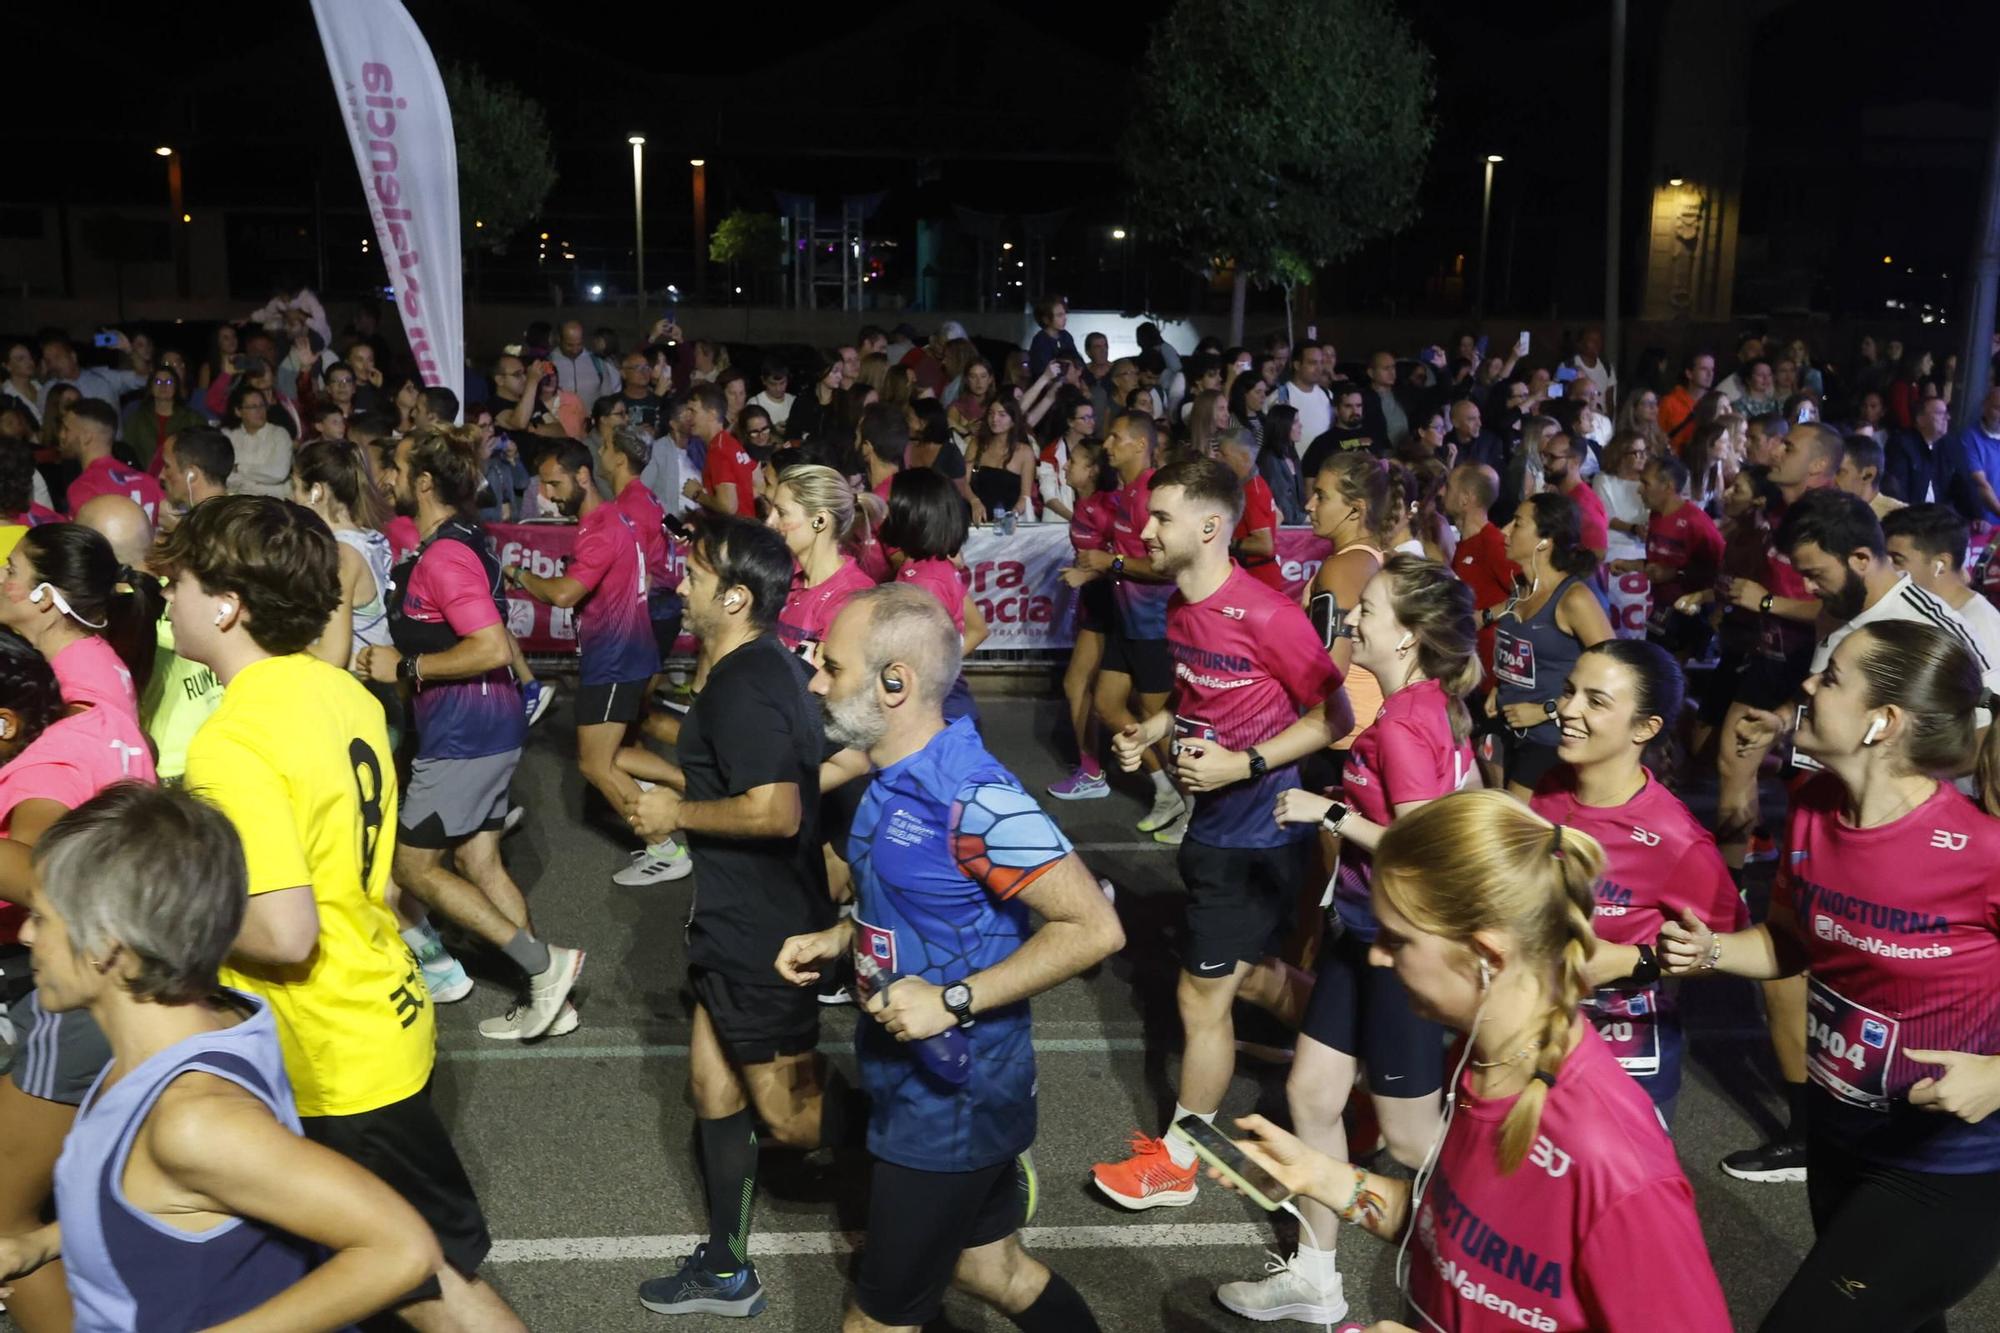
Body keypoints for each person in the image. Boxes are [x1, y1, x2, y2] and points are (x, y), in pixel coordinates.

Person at [156, 495, 529, 1330]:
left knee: (424, 1281)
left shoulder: (234, 736)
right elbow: (378, 882)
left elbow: (286, 932)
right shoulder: (344, 695)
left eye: (177, 581)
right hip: (382, 1007)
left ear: (226, 603)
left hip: (333, 1049)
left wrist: (171, 912)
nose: (166, 598)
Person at [1215, 790, 1732, 1332]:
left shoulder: (1612, 1159)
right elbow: (1454, 1234)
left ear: (1487, 955)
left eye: (1398, 939)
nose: (1377, 955)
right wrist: (1319, 1175)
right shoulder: (1482, 1063)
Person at [772, 585, 1118, 1332]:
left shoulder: (976, 796)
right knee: (991, 1269)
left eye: (832, 667)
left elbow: (1094, 927)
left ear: (894, 683)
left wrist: (951, 1000)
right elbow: (916, 910)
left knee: (873, 1321)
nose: (817, 682)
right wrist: (840, 940)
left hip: (953, 1104)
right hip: (908, 1083)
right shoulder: (886, 775)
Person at [1662, 620, 2000, 1332]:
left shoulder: (1979, 848)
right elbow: (1791, 942)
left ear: (1883, 721)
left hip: (1946, 1165)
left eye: (1833, 676)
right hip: (1841, 1132)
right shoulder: (1813, 810)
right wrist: (1714, 952)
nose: (1809, 684)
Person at [6, 785, 441, 1332]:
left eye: (43, 918)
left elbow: (399, 1249)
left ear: (108, 942)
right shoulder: (191, 1035)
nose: (25, 934)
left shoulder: (194, 1118)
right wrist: (37, 1244)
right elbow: (154, 1200)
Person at [1218, 554, 1476, 1323]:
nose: (1353, 618)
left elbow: (1421, 844)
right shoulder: (1427, 707)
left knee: (1409, 1136)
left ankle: (1490, 1276)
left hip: (1400, 946)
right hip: (1357, 929)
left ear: (1409, 638)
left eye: (1370, 608)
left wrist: (1327, 813)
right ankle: (1314, 1277)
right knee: (1311, 1092)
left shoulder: (1404, 720)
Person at [1088, 459, 1351, 1212]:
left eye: (1161, 518)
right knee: (1255, 975)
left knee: (1199, 998)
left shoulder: (1268, 613)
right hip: (1212, 830)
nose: (1144, 531)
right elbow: (1197, 695)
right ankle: (1354, 1051)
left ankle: (1180, 1159)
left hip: (1259, 836)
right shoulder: (1179, 607)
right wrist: (1154, 728)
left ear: (1208, 528)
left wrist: (1247, 762)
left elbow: (1336, 718)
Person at [619, 516, 851, 1318]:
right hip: (732, 918)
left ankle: (960, 1159)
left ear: (737, 596)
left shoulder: (750, 680)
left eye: (694, 573)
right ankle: (726, 1266)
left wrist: (676, 814)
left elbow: (776, 811)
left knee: (789, 1119)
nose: (681, 583)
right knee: (710, 1087)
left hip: (764, 931)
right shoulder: (743, 672)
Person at [359, 428, 585, 1040]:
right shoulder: (459, 543)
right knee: (479, 860)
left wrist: (404, 667)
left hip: (467, 731)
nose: (388, 479)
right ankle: (550, 999)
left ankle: (546, 964)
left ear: (424, 482)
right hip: (484, 723)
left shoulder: (447, 556)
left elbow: (488, 646)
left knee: (413, 868)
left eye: (398, 468)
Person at [0, 624, 158, 1331]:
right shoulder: (86, 722)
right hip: (123, 995)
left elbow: (40, 880)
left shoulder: (38, 773)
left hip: (72, 1009)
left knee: (5, 1219)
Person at [1529, 640, 1742, 1121]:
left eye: (1595, 701)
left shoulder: (1676, 838)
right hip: (1533, 1035)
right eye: (1569, 691)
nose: (1568, 709)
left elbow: (1731, 951)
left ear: (1646, 728)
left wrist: (1630, 960)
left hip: (1622, 1056)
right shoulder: (1548, 787)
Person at [1069, 414, 1184, 838]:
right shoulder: (1125, 494)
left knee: (1157, 720)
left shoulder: (1151, 494)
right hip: (1126, 622)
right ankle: (1166, 792)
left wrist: (1110, 562)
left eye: (1116, 437)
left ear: (1140, 445)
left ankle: (1196, 805)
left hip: (1153, 626)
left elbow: (1166, 567)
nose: (1107, 444)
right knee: (1107, 706)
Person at [1487, 492, 1614, 797]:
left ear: (1545, 540)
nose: (1504, 531)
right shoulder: (1522, 589)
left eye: (1517, 523)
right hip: (1505, 729)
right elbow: (1522, 651)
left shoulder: (1575, 599)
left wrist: (1547, 710)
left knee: (1517, 833)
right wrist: (1500, 685)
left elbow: (1614, 671)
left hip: (1548, 739)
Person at [880, 469, 988, 724]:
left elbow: (920, 657)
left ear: (913, 516)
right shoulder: (929, 567)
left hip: (938, 710)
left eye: (892, 507)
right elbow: (977, 630)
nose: (886, 514)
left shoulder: (926, 582)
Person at [1050, 440, 1117, 800]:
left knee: (1077, 685)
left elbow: (1120, 560)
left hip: (1110, 602)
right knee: (1090, 690)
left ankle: (1093, 773)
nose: (1066, 466)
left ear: (1091, 470)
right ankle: (1094, 768)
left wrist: (1086, 576)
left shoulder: (1107, 506)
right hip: (1095, 601)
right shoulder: (1084, 504)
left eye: (1073, 461)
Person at [1882, 504, 2000, 694]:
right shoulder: (1912, 609)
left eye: (1897, 559)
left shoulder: (1981, 627)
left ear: (1941, 563)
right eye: (1883, 558)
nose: (1885, 569)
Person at [766, 463, 876, 666]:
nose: (769, 522)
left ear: (819, 521)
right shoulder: (786, 577)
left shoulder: (853, 595)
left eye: (781, 513)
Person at [1638, 453, 1725, 658]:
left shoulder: (1696, 521)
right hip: (1663, 607)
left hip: (1690, 611)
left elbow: (1721, 567)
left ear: (1667, 486)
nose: (1639, 489)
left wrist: (1677, 574)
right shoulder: (1656, 516)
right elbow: (1662, 563)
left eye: (1646, 483)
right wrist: (1632, 565)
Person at [60, 400, 164, 523]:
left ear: (86, 437)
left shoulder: (84, 487)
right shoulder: (148, 482)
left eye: (66, 429)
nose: (61, 435)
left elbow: (89, 540)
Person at [1217, 426, 1284, 591]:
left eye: (1224, 455)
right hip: (1255, 578)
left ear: (1244, 457)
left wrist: (1226, 542)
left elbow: (1264, 545)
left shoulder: (1252, 491)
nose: (1218, 459)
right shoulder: (1254, 485)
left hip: (1258, 582)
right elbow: (1279, 516)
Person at [119, 363, 206, 474]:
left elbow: (202, 452)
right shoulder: (137, 419)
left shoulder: (192, 419)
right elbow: (126, 453)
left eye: (169, 382)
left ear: (176, 387)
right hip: (145, 481)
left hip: (181, 481)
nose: (163, 386)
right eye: (158, 382)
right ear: (151, 387)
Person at [686, 382, 757, 517]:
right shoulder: (729, 443)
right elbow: (758, 483)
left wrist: (697, 495)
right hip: (747, 529)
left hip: (734, 533)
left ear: (712, 414)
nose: (688, 417)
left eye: (693, 411)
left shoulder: (718, 451)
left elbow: (728, 506)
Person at [220, 382, 295, 500]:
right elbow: (224, 475)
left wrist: (238, 468)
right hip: (237, 502)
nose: (260, 411)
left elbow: (278, 473)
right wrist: (261, 479)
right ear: (238, 411)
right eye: (253, 407)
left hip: (274, 502)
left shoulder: (279, 434)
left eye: (262, 405)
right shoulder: (228, 435)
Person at [156, 425, 232, 529]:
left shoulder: (236, 525)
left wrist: (178, 529)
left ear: (191, 475)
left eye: (167, 466)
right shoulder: (181, 514)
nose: (161, 475)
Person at [1269, 343, 1332, 454]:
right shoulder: (1280, 397)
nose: (1319, 368)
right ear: (1297, 365)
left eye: (1321, 363)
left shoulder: (1327, 395)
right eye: (1312, 363)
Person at [1658, 350, 1715, 452]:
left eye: (1712, 369)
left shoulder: (1715, 404)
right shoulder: (1669, 403)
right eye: (1703, 369)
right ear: (1689, 373)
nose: (1710, 374)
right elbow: (1657, 437)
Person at [1027, 295, 1082, 380]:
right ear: (1046, 319)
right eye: (1059, 315)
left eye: (1064, 314)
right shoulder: (1040, 342)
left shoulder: (1065, 336)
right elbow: (1041, 372)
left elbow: (1077, 360)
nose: (1065, 318)